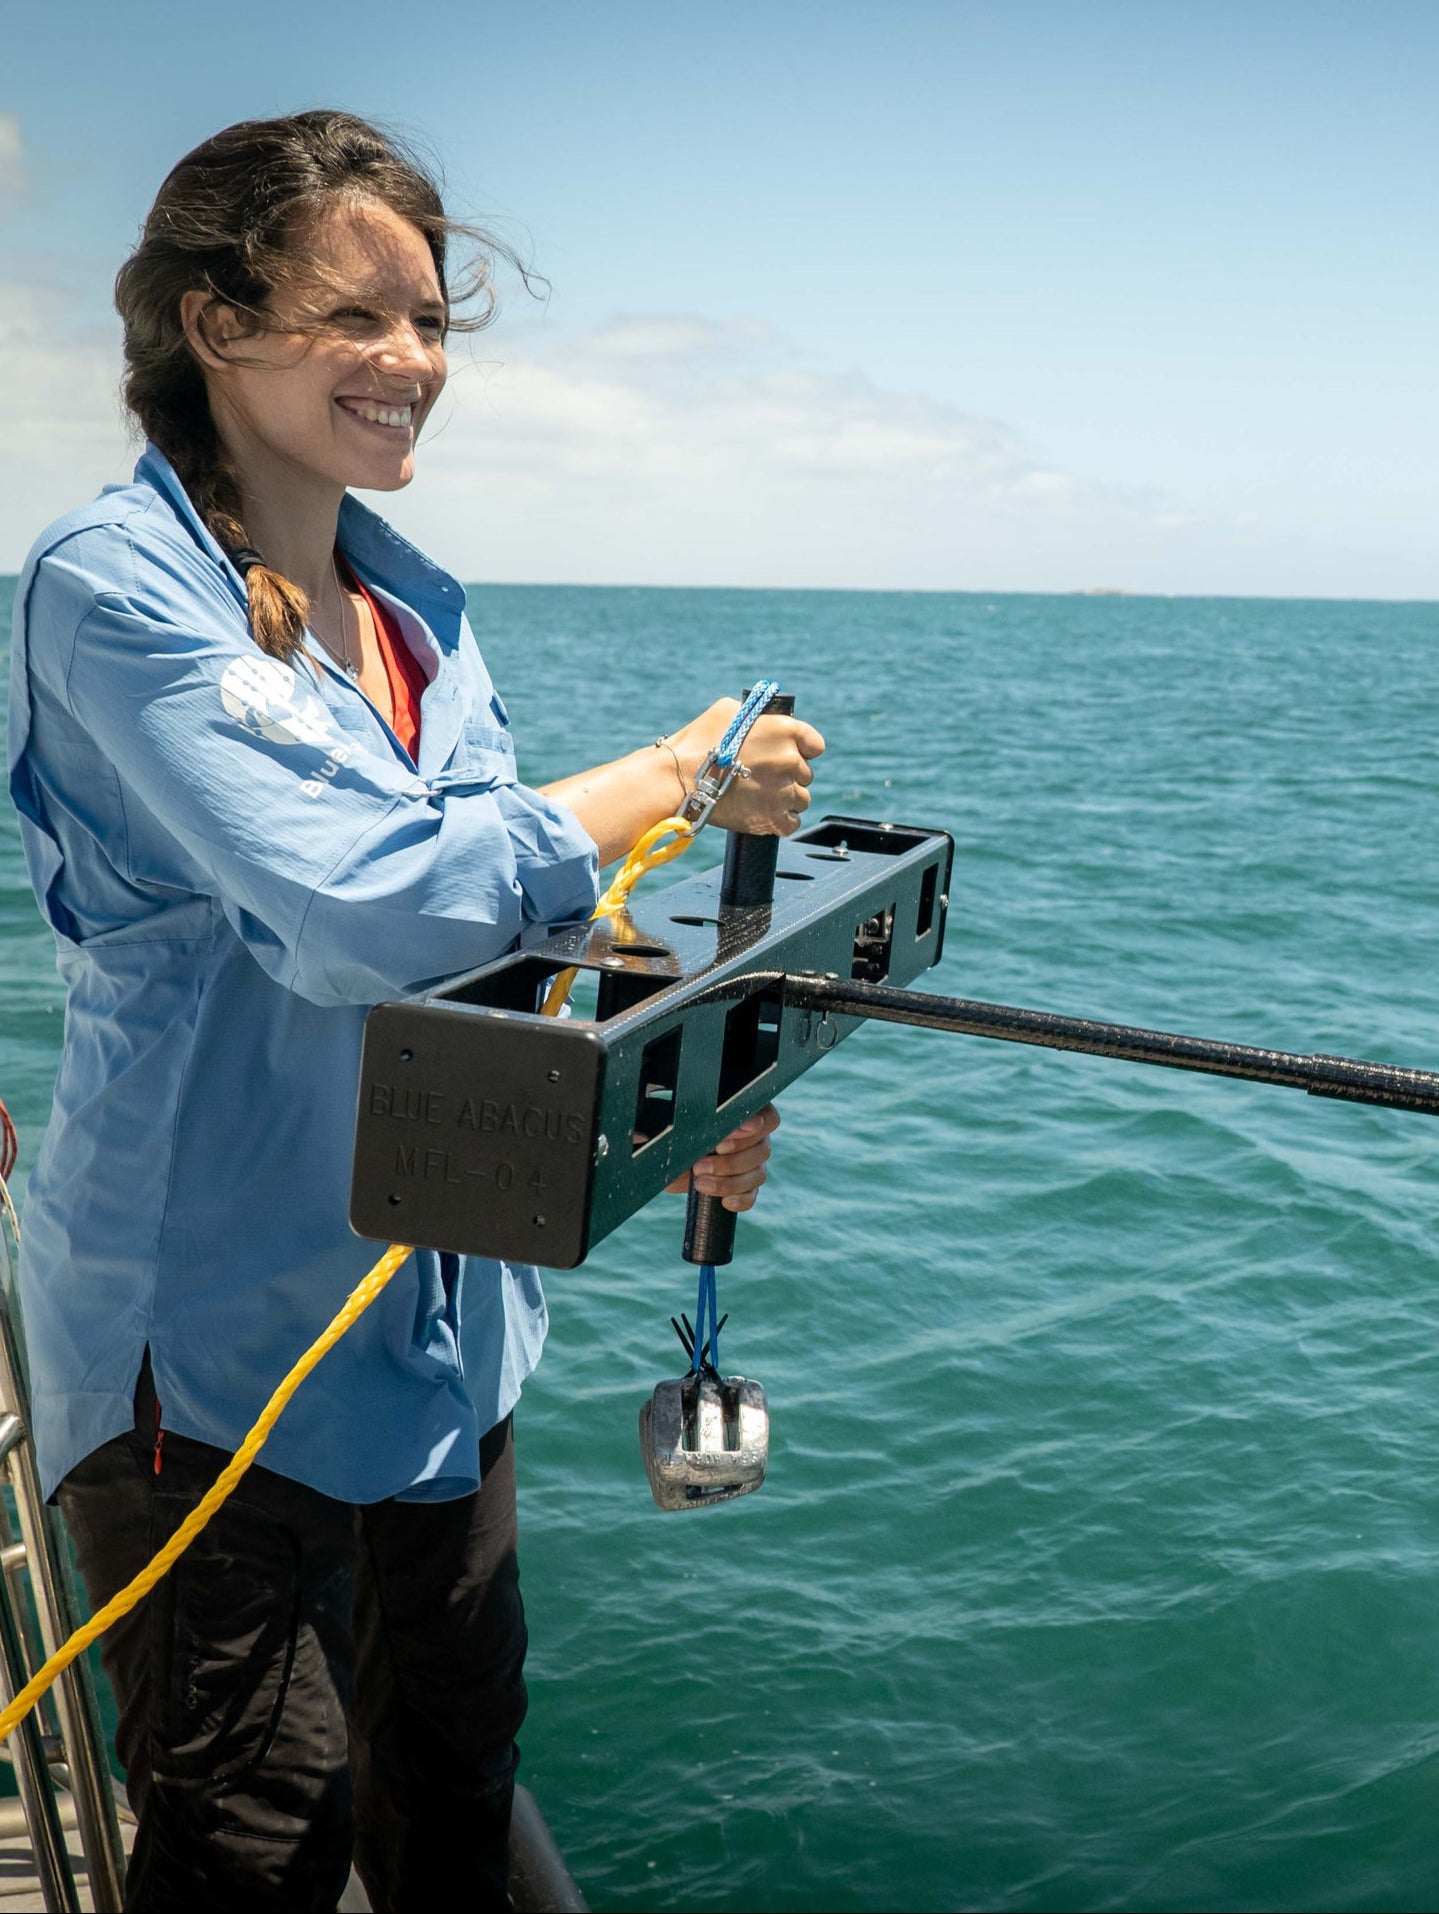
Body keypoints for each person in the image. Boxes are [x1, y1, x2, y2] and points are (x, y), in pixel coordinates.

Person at [5, 111, 826, 1910]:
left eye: (436, 322)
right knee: (256, 1844)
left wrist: (669, 1083)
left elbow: (501, 955)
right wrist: (679, 770)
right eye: (360, 318)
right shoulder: (115, 589)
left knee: (452, 1791)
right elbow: (359, 907)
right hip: (207, 1363)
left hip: (441, 1346)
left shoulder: (423, 614)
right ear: (216, 326)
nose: (414, 364)